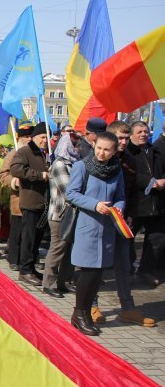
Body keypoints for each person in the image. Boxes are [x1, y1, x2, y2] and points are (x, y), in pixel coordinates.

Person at [66, 132, 125, 336]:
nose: (102, 152)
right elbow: (71, 193)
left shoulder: (116, 170)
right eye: (99, 148)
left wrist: (118, 209)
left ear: (114, 151)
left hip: (107, 228)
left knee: (98, 273)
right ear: (94, 145)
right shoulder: (82, 166)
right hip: (88, 225)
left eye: (107, 149)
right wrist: (95, 205)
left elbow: (120, 196)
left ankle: (86, 314)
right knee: (88, 272)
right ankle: (79, 313)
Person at [105, 121, 156, 327]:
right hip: (101, 219)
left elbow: (133, 191)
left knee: (124, 264)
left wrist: (130, 215)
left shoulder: (130, 160)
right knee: (97, 267)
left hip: (123, 220)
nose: (124, 142)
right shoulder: (97, 159)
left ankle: (127, 308)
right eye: (120, 138)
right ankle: (91, 305)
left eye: (127, 138)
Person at [125, 121, 165, 288]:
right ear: (132, 134)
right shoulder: (127, 153)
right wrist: (150, 181)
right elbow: (129, 174)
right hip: (136, 204)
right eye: (139, 131)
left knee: (157, 239)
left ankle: (145, 271)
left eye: (146, 131)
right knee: (128, 241)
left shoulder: (154, 150)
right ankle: (126, 273)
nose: (143, 134)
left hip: (155, 203)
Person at [10, 122, 49, 286]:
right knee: (29, 238)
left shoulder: (44, 153)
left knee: (37, 238)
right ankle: (25, 270)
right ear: (34, 137)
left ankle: (31, 268)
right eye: (42, 137)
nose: (45, 140)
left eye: (47, 137)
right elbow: (16, 169)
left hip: (41, 203)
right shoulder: (25, 151)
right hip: (30, 202)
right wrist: (40, 175)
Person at [42, 132, 80, 298]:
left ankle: (64, 281)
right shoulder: (59, 164)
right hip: (60, 213)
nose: (78, 148)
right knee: (57, 249)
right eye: (75, 145)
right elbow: (68, 190)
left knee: (69, 250)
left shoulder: (75, 163)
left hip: (74, 213)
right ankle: (48, 284)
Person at [0, 123, 34, 271]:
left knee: (29, 233)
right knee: (17, 231)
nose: (28, 139)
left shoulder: (36, 153)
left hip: (33, 198)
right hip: (18, 198)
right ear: (19, 137)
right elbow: (3, 175)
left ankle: (26, 258)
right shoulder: (14, 154)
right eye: (26, 136)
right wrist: (14, 181)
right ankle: (13, 258)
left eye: (30, 136)